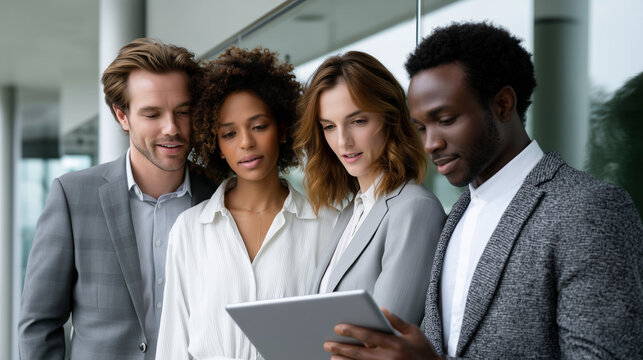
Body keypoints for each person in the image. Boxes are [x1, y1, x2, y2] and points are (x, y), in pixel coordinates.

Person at [323, 22, 643, 359]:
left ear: (503, 104)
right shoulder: (455, 218)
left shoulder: (588, 208)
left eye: (445, 119)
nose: (431, 144)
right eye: (421, 127)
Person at [18, 38, 217, 360]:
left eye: (183, 112)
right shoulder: (73, 197)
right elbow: (39, 323)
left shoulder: (221, 195)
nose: (172, 128)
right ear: (122, 117)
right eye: (152, 114)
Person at [155, 47, 337, 360]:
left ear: (281, 130)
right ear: (217, 146)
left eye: (258, 126)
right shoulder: (189, 230)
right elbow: (174, 341)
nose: (246, 143)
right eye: (229, 133)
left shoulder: (328, 225)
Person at [294, 51, 445, 325]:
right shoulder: (350, 214)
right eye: (329, 126)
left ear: (390, 119)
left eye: (357, 121)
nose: (343, 142)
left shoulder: (414, 209)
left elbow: (388, 335)